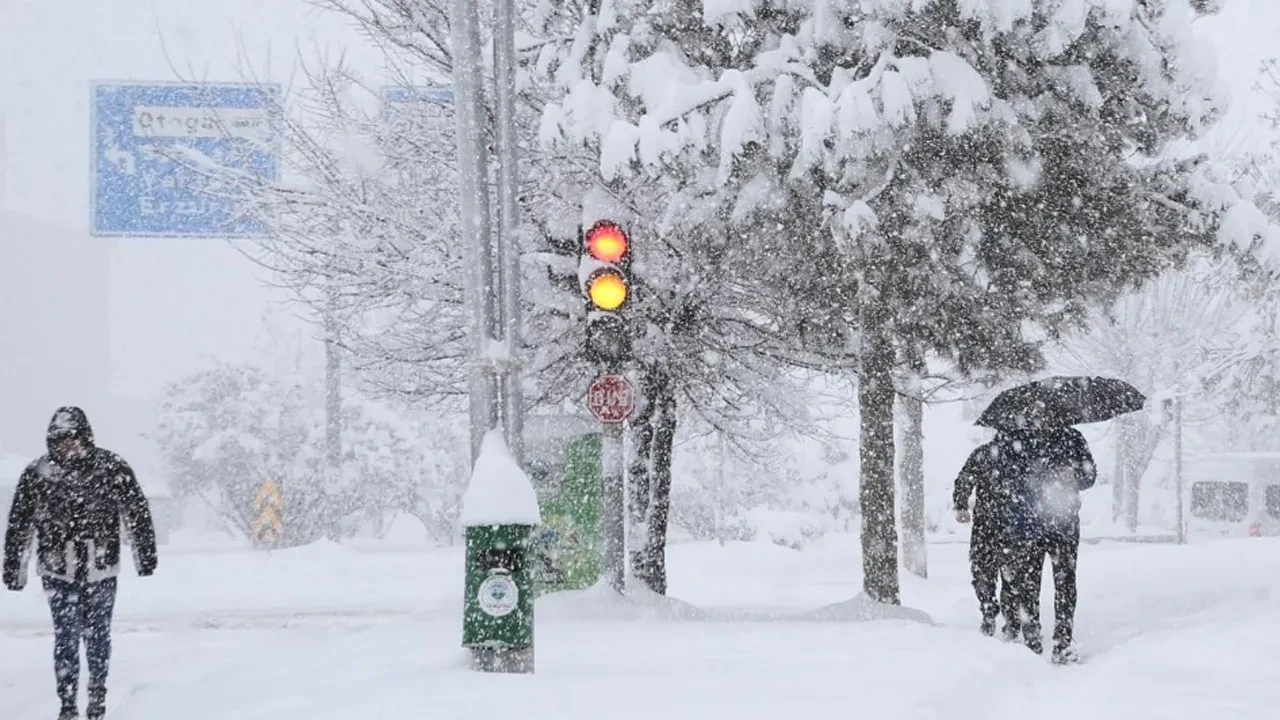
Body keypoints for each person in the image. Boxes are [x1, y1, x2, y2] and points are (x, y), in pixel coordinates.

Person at [3, 407, 158, 720]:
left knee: (98, 633)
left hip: (101, 568)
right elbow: (20, 524)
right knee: (66, 636)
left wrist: (145, 555)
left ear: (85, 438)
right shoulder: (38, 474)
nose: (68, 447)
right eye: (61, 441)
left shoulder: (111, 468)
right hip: (57, 570)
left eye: (73, 440)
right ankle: (68, 702)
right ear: (52, 442)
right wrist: (13, 568)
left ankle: (97, 692)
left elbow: (137, 512)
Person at [997, 426, 1096, 664]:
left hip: (1064, 524)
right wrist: (1034, 476)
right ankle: (1032, 639)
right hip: (1029, 523)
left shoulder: (1072, 438)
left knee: (1065, 582)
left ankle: (1063, 641)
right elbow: (1004, 475)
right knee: (1029, 583)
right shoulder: (1017, 439)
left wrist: (1074, 476)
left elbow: (1090, 475)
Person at [952, 440, 1019, 639]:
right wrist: (961, 503)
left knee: (985, 571)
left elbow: (964, 478)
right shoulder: (1020, 454)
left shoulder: (984, 453)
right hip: (1010, 524)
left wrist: (961, 503)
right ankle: (1008, 618)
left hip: (989, 523)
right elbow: (965, 478)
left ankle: (991, 610)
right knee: (1010, 575)